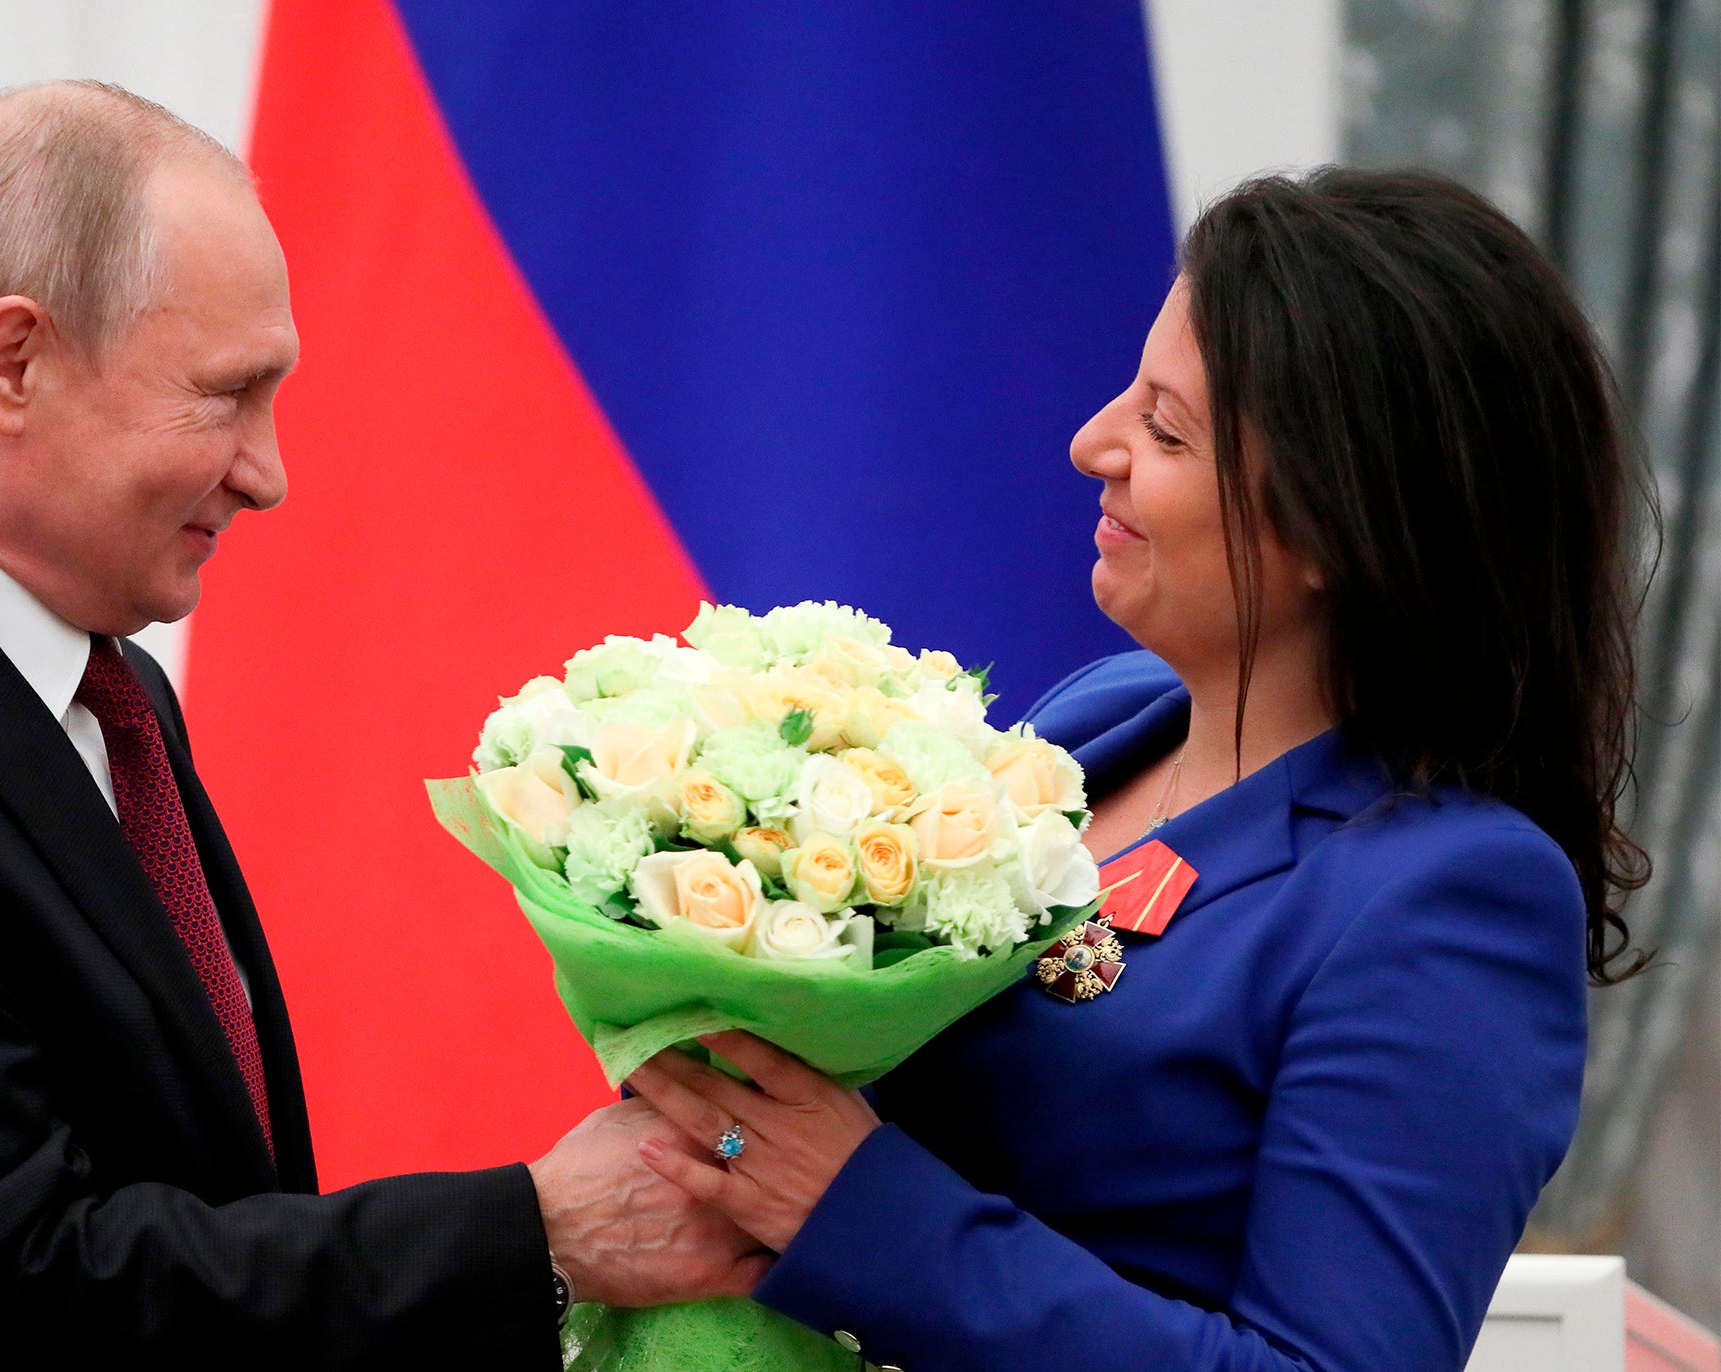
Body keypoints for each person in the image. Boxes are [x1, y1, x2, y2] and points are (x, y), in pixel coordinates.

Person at [0, 82, 765, 1369]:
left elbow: (204, 1196)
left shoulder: (111, 692)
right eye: (224, 394)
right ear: (11, 362)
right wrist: (531, 1232)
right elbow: (21, 1298)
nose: (267, 472)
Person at [627, 167, 1650, 1371]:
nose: (1090, 443)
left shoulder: (1449, 895)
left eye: (1166, 429)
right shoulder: (1104, 716)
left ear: (1341, 524)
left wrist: (855, 1212)